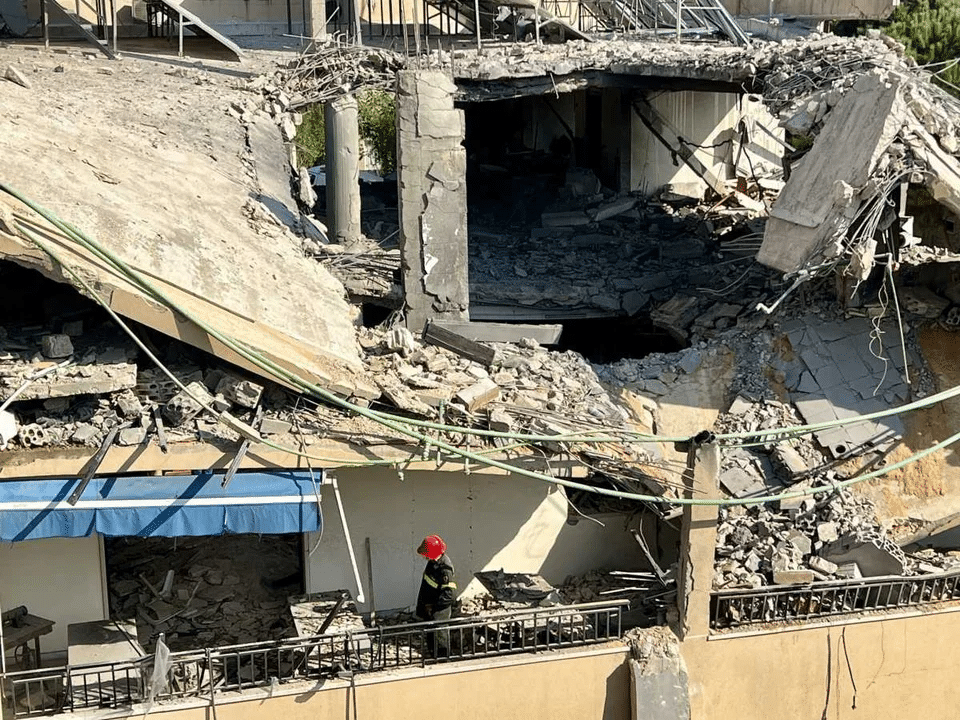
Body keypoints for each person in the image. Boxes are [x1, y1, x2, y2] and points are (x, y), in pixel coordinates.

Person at [415, 534, 456, 658]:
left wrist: (434, 606)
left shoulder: (445, 568)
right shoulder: (433, 562)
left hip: (439, 610)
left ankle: (442, 659)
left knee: (440, 635)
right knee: (431, 633)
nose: (425, 557)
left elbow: (450, 594)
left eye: (426, 554)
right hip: (430, 607)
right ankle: (433, 656)